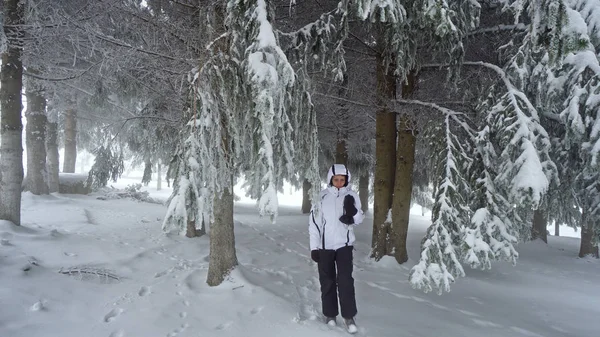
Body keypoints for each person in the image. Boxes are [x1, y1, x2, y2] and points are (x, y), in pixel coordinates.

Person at [308, 164, 364, 334]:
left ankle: (349, 317)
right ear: (330, 179)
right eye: (336, 179)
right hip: (325, 247)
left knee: (346, 281)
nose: (339, 182)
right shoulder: (321, 197)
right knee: (327, 281)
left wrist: (352, 214)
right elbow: (314, 224)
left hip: (344, 246)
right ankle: (330, 315)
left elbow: (359, 218)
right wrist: (314, 247)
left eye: (342, 180)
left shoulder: (352, 195)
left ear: (346, 180)